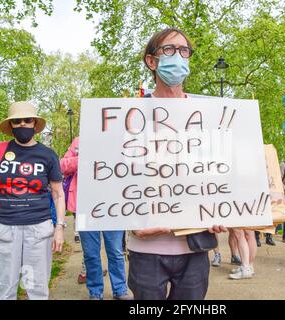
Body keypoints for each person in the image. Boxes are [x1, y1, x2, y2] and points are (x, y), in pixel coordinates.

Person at [127, 27, 227, 300]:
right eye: (169, 50)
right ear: (151, 61)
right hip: (146, 248)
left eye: (184, 51)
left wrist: (226, 210)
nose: (178, 56)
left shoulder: (209, 114)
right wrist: (130, 223)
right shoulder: (128, 115)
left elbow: (222, 169)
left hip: (195, 247)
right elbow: (116, 176)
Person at [0, 101, 65, 300]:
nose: (23, 124)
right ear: (11, 126)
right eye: (17, 121)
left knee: (38, 288)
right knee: (6, 288)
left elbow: (58, 194)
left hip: (39, 229)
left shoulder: (48, 155)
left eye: (28, 120)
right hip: (4, 229)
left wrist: (59, 227)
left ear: (35, 124)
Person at [60, 137, 127, 300]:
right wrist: (83, 158)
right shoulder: (79, 141)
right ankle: (95, 292)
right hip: (85, 207)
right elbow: (62, 165)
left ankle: (120, 290)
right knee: (90, 254)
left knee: (116, 251)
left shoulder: (118, 139)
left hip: (113, 206)